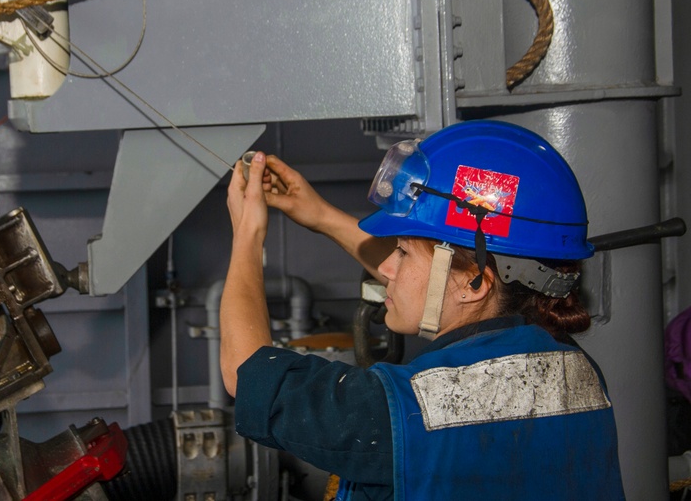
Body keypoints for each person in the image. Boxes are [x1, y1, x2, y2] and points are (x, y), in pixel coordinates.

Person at [220, 119, 625, 500]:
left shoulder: (406, 410)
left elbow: (246, 370)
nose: (385, 268)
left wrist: (248, 233)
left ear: (476, 282)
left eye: (401, 252)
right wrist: (321, 216)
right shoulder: (576, 371)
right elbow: (440, 275)